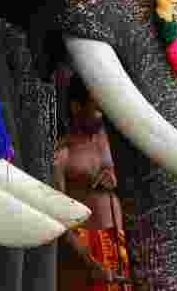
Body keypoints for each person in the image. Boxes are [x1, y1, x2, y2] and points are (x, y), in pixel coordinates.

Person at [55, 74, 132, 290]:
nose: (102, 115)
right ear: (76, 107)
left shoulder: (117, 144)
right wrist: (90, 261)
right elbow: (59, 219)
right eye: (97, 109)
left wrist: (119, 184)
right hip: (84, 249)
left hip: (125, 244)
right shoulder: (63, 153)